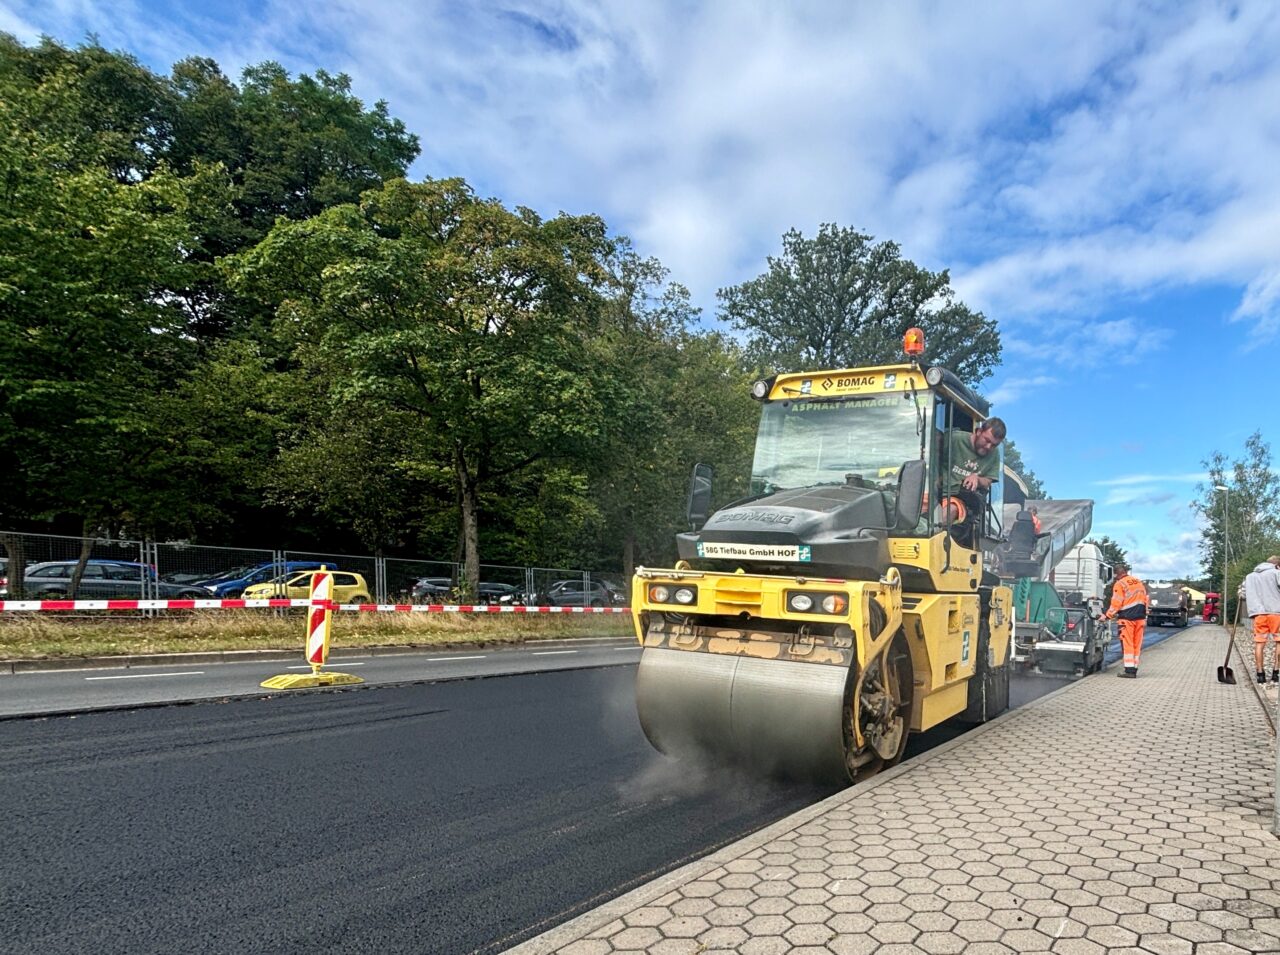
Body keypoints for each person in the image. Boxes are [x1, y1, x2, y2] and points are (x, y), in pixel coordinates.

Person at [938, 417, 1006, 545]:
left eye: (994, 445)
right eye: (987, 441)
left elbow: (988, 481)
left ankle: (935, 544)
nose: (988, 447)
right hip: (935, 491)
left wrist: (977, 478)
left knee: (951, 510)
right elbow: (932, 452)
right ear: (978, 431)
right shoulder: (954, 439)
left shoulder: (994, 454)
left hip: (959, 498)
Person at [1102, 561, 1149, 678]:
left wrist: (1107, 616)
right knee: (1136, 645)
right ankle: (1134, 669)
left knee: (1127, 644)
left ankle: (1129, 671)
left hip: (1127, 619)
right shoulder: (1138, 582)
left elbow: (1116, 603)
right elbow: (1145, 599)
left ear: (1116, 574)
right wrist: (1145, 614)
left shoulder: (1120, 584)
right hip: (1140, 618)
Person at [1243, 555, 1280, 684]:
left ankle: (1260, 674)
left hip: (1258, 614)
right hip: (1276, 612)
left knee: (1259, 643)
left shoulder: (1249, 577)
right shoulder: (1276, 573)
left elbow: (1242, 593)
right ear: (1277, 565)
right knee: (1279, 642)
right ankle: (1276, 673)